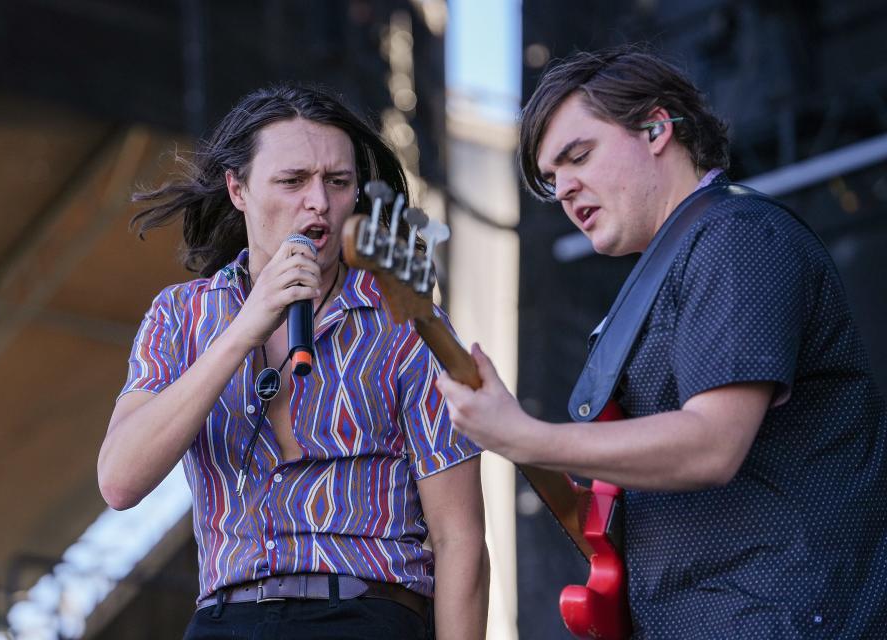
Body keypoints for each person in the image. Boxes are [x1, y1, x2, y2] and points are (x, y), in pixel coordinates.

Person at [437, 46, 887, 638]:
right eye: (552, 179)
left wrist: (527, 436)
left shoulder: (737, 236)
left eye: (579, 155)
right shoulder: (672, 267)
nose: (565, 189)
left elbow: (711, 445)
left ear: (656, 128)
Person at [97, 84, 489, 640]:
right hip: (227, 618)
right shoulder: (181, 316)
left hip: (365, 612)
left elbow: (460, 539)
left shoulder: (405, 321)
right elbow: (119, 482)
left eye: (338, 182)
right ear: (238, 189)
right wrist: (240, 333)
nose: (318, 202)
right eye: (292, 181)